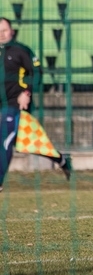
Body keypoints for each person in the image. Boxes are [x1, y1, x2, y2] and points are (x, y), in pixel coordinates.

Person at [0, 17, 71, 191]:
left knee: (5, 140)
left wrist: (26, 93)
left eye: (4, 30)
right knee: (28, 143)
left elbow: (36, 72)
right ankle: (61, 159)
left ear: (12, 31)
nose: (1, 34)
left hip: (16, 105)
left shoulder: (20, 51)